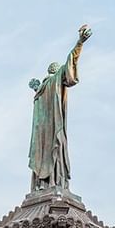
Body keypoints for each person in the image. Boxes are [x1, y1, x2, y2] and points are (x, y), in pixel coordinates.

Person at [28, 25, 91, 192]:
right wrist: (80, 43)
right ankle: (54, 181)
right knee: (55, 148)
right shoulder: (49, 85)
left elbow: (70, 62)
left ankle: (44, 182)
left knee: (47, 152)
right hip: (52, 129)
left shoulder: (42, 89)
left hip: (44, 133)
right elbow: (71, 60)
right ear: (56, 72)